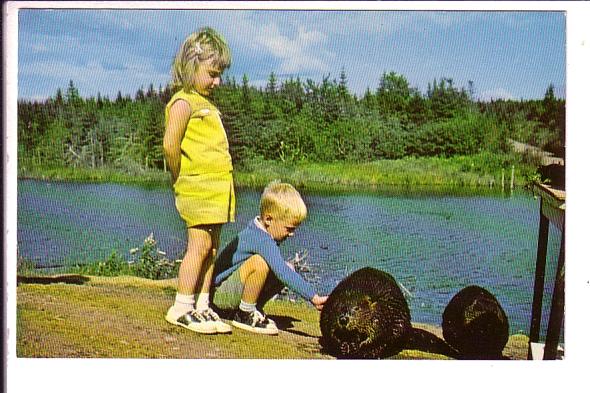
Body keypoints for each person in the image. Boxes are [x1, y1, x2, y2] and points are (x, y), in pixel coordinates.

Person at [163, 27, 235, 334]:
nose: (217, 81)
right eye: (212, 73)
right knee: (199, 245)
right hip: (197, 188)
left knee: (212, 247)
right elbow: (170, 145)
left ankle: (203, 304)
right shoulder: (183, 102)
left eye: (220, 75)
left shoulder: (208, 103)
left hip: (218, 189)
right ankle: (181, 306)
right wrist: (180, 176)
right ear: (192, 65)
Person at [210, 181, 328, 335]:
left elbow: (284, 270)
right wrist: (313, 297)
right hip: (219, 298)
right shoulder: (260, 238)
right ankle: (244, 314)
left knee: (287, 267)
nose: (292, 234)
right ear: (269, 220)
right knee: (261, 263)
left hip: (229, 293)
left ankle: (253, 308)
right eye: (289, 229)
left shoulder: (261, 232)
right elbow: (281, 272)